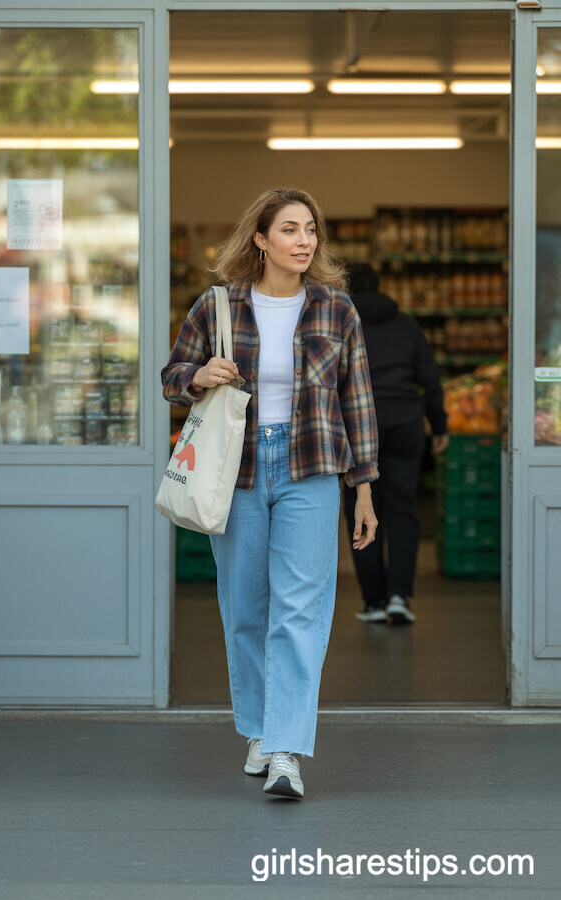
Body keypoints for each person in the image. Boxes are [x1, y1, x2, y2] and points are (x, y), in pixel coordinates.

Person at [162, 188, 378, 799]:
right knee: (246, 609)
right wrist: (200, 375)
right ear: (260, 240)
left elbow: (356, 401)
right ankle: (257, 731)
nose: (304, 240)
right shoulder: (218, 307)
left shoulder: (337, 310)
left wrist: (364, 487)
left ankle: (285, 751)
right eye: (289, 229)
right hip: (240, 468)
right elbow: (172, 377)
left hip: (312, 468)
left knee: (300, 612)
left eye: (311, 229)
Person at [343, 263, 449, 626]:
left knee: (360, 510)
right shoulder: (406, 325)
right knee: (402, 509)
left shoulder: (342, 322)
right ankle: (399, 597)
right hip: (405, 423)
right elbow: (430, 380)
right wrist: (439, 426)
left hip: (358, 426)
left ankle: (373, 602)